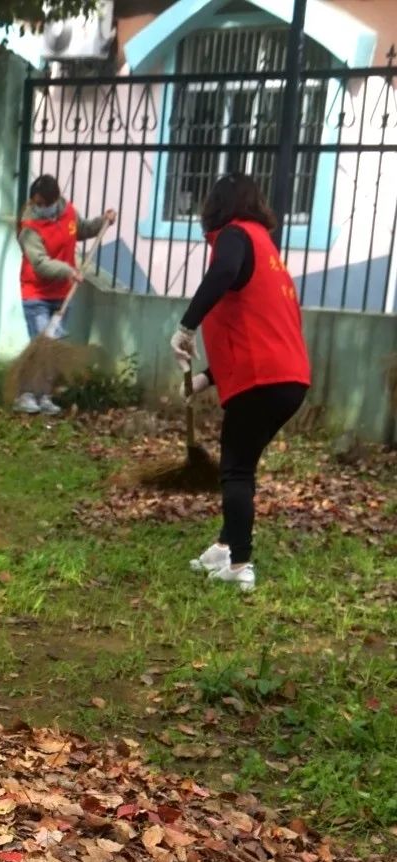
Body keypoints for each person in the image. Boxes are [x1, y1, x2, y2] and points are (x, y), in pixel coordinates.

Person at [172, 173, 311, 593]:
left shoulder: (233, 237)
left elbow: (223, 274)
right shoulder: (266, 247)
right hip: (289, 379)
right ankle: (224, 546)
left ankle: (241, 564)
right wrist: (203, 379)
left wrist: (186, 327)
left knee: (234, 469)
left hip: (262, 380)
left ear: (218, 205)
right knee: (242, 463)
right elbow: (257, 331)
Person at [14, 175, 115, 415]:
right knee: (43, 346)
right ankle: (25, 394)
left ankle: (45, 396)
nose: (38, 207)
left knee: (55, 347)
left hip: (62, 294)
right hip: (36, 293)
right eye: (35, 202)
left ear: (55, 199)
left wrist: (103, 221)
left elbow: (82, 230)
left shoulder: (68, 212)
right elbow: (39, 263)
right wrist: (68, 270)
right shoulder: (29, 227)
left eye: (42, 203)